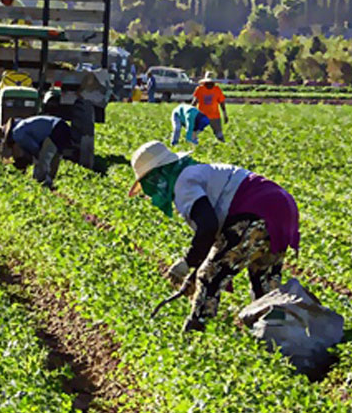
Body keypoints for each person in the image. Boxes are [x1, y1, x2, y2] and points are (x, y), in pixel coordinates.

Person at [128, 141, 301, 333]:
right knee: (264, 278)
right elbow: (216, 236)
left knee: (209, 276)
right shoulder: (198, 172)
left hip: (256, 212)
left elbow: (208, 226)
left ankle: (196, 334)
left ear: (156, 176)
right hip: (281, 207)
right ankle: (278, 333)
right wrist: (193, 272)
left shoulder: (183, 182)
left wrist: (189, 262)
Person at [2, 115, 74, 188]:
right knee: (55, 156)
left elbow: (34, 147)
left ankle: (40, 181)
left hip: (55, 129)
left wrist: (34, 158)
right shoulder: (23, 124)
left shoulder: (16, 133)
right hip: (63, 126)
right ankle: (49, 180)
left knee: (44, 158)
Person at [191, 71, 228, 142]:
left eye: (211, 83)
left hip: (215, 116)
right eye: (208, 82)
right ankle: (193, 146)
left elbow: (222, 103)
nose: (210, 84)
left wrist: (225, 115)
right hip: (202, 116)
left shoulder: (217, 90)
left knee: (219, 135)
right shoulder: (200, 89)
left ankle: (224, 146)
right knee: (194, 134)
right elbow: (194, 102)